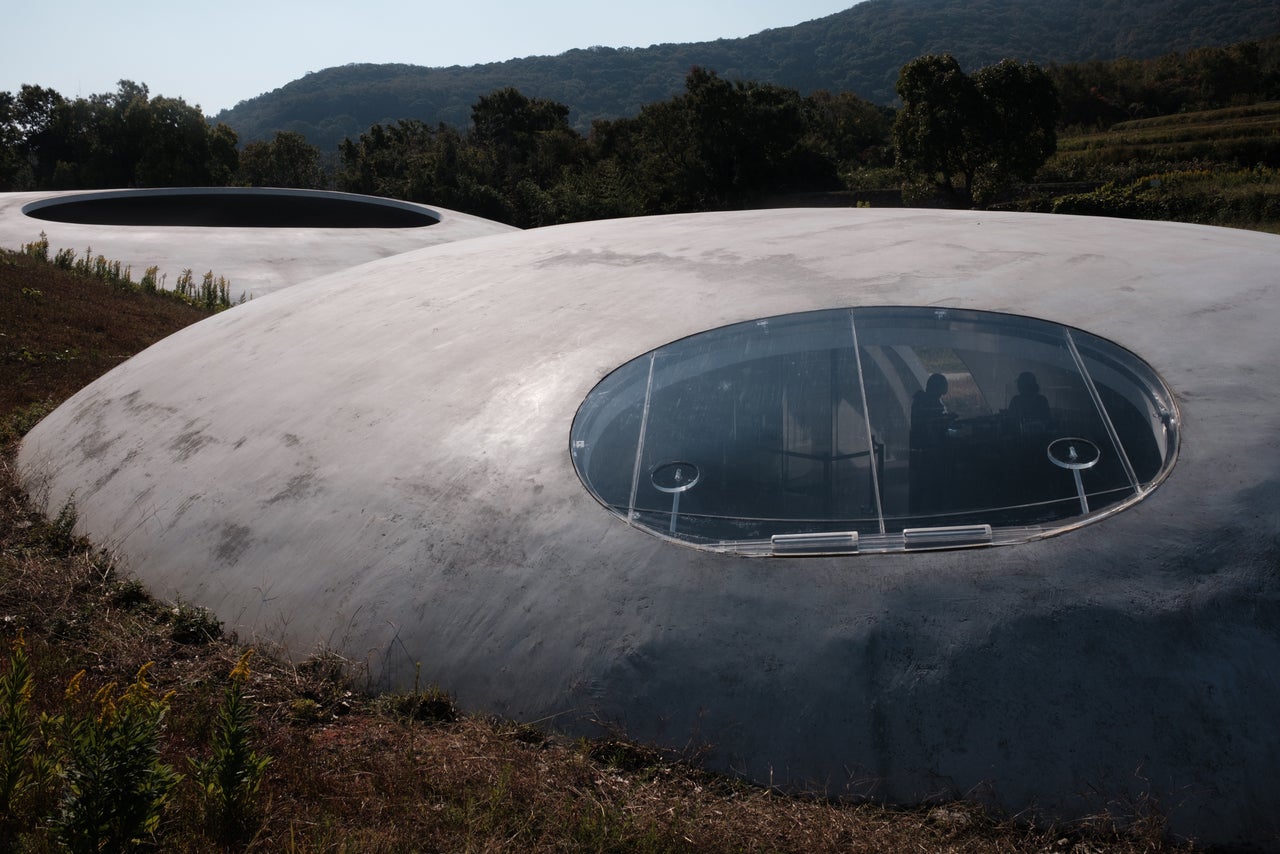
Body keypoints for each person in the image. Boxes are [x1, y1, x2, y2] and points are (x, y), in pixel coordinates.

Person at [909, 373, 956, 516]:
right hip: (926, 451)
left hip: (933, 450)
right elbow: (928, 424)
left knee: (933, 485)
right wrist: (946, 419)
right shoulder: (924, 401)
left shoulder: (931, 401)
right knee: (926, 485)